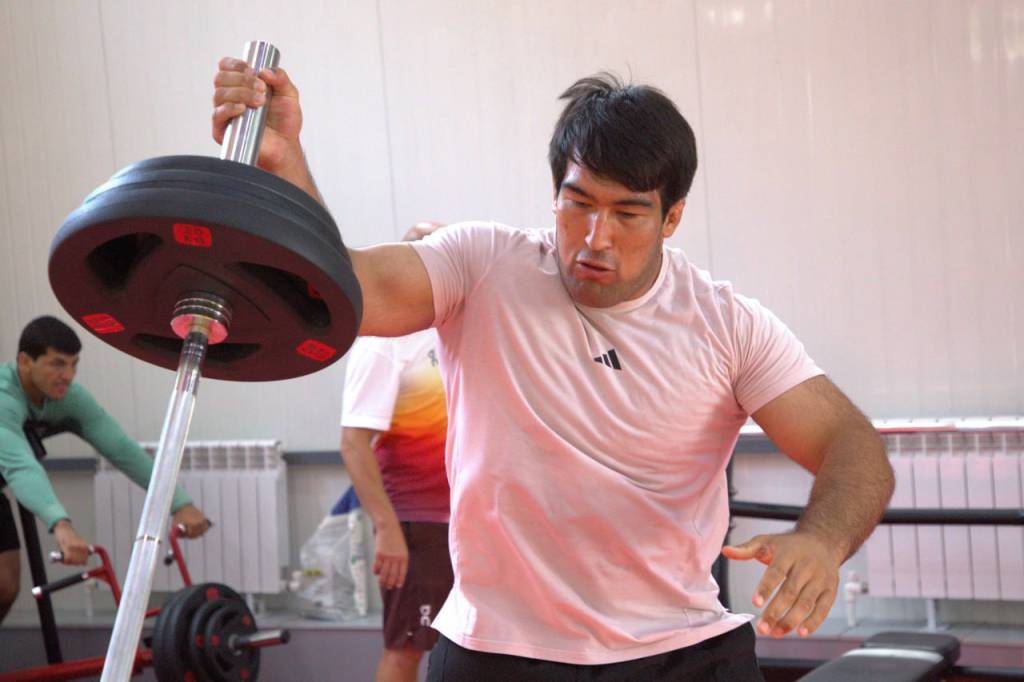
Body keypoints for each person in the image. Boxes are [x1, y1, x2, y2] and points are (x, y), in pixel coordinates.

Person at [212, 62, 894, 680]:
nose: (596, 238)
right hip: (495, 650)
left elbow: (852, 444)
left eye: (628, 213)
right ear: (554, 194)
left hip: (676, 650)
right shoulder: (481, 266)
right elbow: (350, 287)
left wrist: (821, 540)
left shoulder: (726, 324)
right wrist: (284, 161)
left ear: (672, 217)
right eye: (580, 203)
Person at [0, 316, 209, 625]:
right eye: (57, 364)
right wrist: (61, 525)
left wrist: (179, 503)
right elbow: (21, 466)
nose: (68, 375)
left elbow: (120, 448)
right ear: (24, 362)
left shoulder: (68, 398)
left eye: (73, 365)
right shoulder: (4, 397)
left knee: (5, 587)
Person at [340, 221, 452, 682]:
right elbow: (353, 443)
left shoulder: (457, 334)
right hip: (416, 523)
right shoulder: (383, 341)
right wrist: (387, 529)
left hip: (468, 519)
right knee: (407, 647)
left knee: (469, 648)